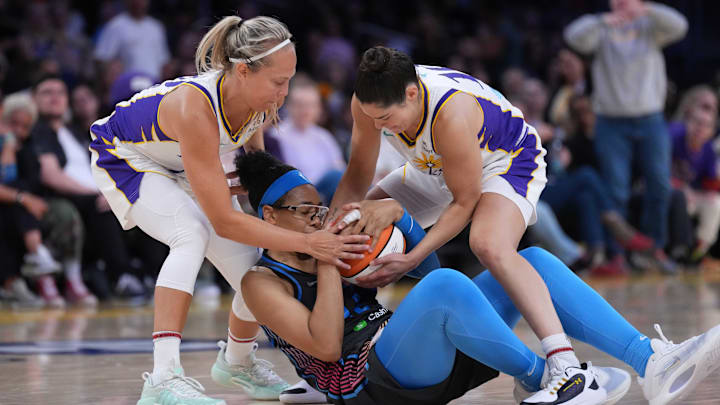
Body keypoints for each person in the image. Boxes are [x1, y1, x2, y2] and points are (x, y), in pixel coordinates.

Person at [239, 150, 720, 405]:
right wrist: (326, 260)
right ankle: (547, 377)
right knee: (446, 289)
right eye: (306, 211)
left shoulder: (333, 244)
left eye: (320, 208)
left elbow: (434, 273)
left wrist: (398, 215)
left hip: (412, 358)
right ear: (270, 216)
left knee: (528, 260)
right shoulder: (262, 282)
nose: (320, 218)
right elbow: (323, 346)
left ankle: (650, 361)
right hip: (368, 387)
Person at [88, 15, 369, 404]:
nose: (284, 93)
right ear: (242, 71)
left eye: (289, 80)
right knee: (191, 234)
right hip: (126, 156)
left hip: (180, 161)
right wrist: (310, 244)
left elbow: (257, 169)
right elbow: (225, 220)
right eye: (278, 82)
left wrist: (285, 206)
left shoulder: (256, 102)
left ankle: (237, 362)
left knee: (256, 273)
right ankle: (162, 380)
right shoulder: (195, 108)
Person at [327, 46, 598, 401]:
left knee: (488, 244)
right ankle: (332, 359)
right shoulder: (370, 101)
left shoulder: (450, 112)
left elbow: (464, 202)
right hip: (439, 165)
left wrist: (413, 257)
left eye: (385, 119)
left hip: (507, 159)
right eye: (371, 117)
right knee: (353, 227)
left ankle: (564, 363)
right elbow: (359, 171)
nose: (377, 126)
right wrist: (331, 229)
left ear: (411, 94)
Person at [564, 0, 688, 273]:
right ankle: (617, 255)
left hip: (650, 117)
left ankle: (653, 249)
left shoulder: (651, 25)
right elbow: (573, 36)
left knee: (659, 184)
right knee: (615, 190)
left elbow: (680, 26)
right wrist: (600, 21)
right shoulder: (603, 29)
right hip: (611, 121)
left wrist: (648, 10)